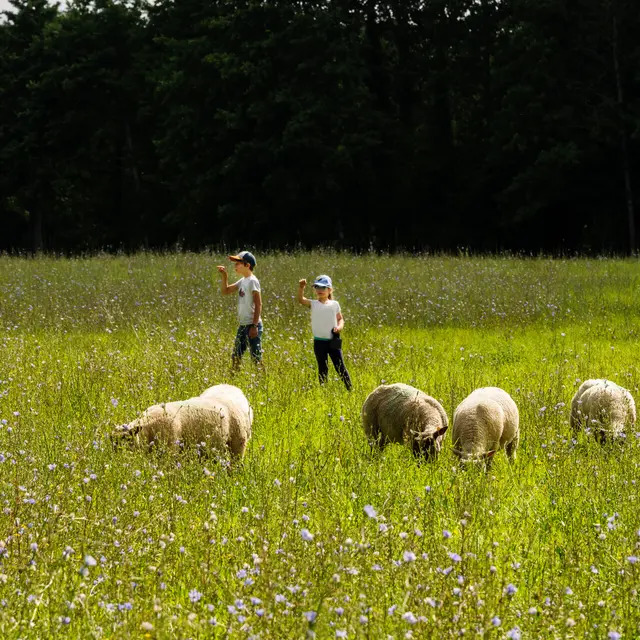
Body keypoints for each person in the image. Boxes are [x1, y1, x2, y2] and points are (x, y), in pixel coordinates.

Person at [297, 274, 352, 390]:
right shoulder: (313, 304)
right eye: (317, 287)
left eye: (323, 288)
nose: (319, 290)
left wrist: (339, 327)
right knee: (322, 367)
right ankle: (323, 390)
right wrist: (301, 287)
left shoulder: (335, 304)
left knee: (340, 366)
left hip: (334, 339)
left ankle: (350, 388)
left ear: (330, 290)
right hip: (319, 342)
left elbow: (340, 319)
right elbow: (301, 300)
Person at [217, 251, 263, 369]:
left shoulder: (252, 281)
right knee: (236, 356)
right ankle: (233, 380)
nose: (235, 266)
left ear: (247, 265)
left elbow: (258, 304)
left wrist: (254, 326)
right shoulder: (243, 281)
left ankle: (263, 381)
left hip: (252, 325)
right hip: (243, 325)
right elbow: (225, 291)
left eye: (238, 263)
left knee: (256, 358)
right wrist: (224, 276)